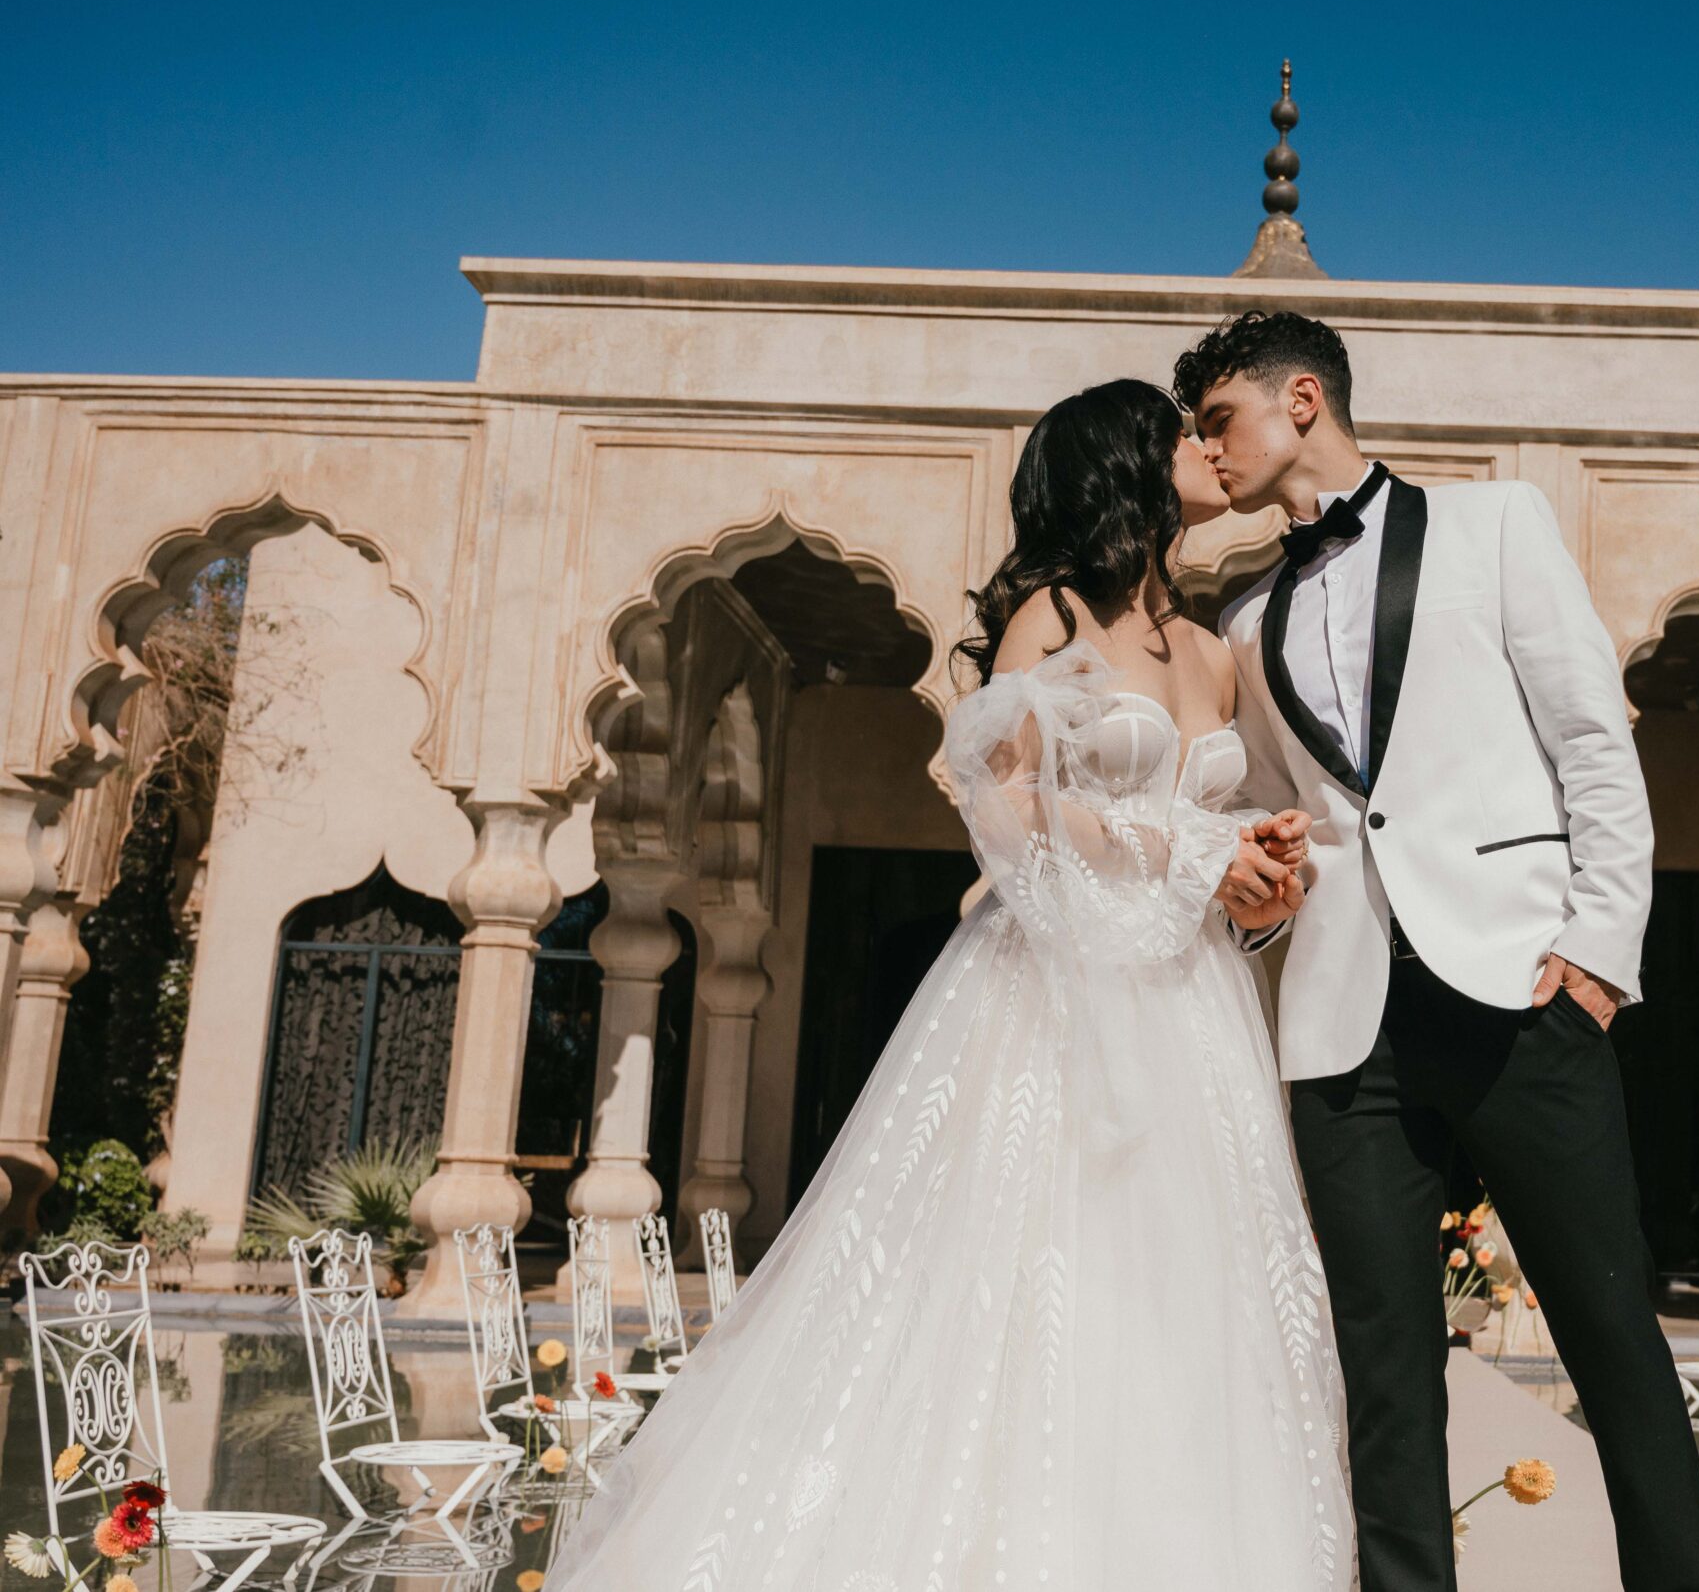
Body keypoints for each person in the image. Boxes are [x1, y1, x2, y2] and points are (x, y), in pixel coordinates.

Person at [545, 378, 1352, 1592]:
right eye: (1178, 432)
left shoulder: (1211, 648)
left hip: (1193, 1010)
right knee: (1033, 1285)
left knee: (1191, 1303)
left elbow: (1213, 827)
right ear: (1124, 463)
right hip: (1056, 1001)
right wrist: (1189, 849)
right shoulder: (1051, 614)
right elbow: (1001, 800)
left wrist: (1253, 879)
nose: (1204, 446)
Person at [1183, 311, 1699, 1592]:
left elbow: (1593, 739)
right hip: (1339, 1023)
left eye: (1219, 420)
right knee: (1382, 1369)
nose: (1205, 452)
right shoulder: (1244, 615)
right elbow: (1279, 819)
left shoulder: (1496, 526)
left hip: (1520, 995)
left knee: (1611, 1340)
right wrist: (1257, 901)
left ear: (1300, 399)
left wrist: (1598, 954)